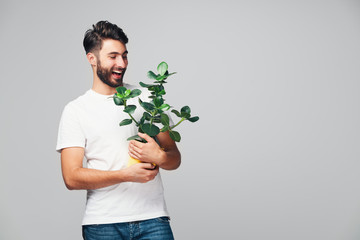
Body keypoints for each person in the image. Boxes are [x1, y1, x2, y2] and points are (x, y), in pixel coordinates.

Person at [56, 20, 181, 240]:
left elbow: (174, 157)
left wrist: (159, 156)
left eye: (124, 55)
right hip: (102, 224)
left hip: (153, 219)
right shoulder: (76, 111)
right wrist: (124, 175)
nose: (122, 63)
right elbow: (71, 177)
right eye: (113, 56)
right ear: (92, 59)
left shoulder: (146, 100)